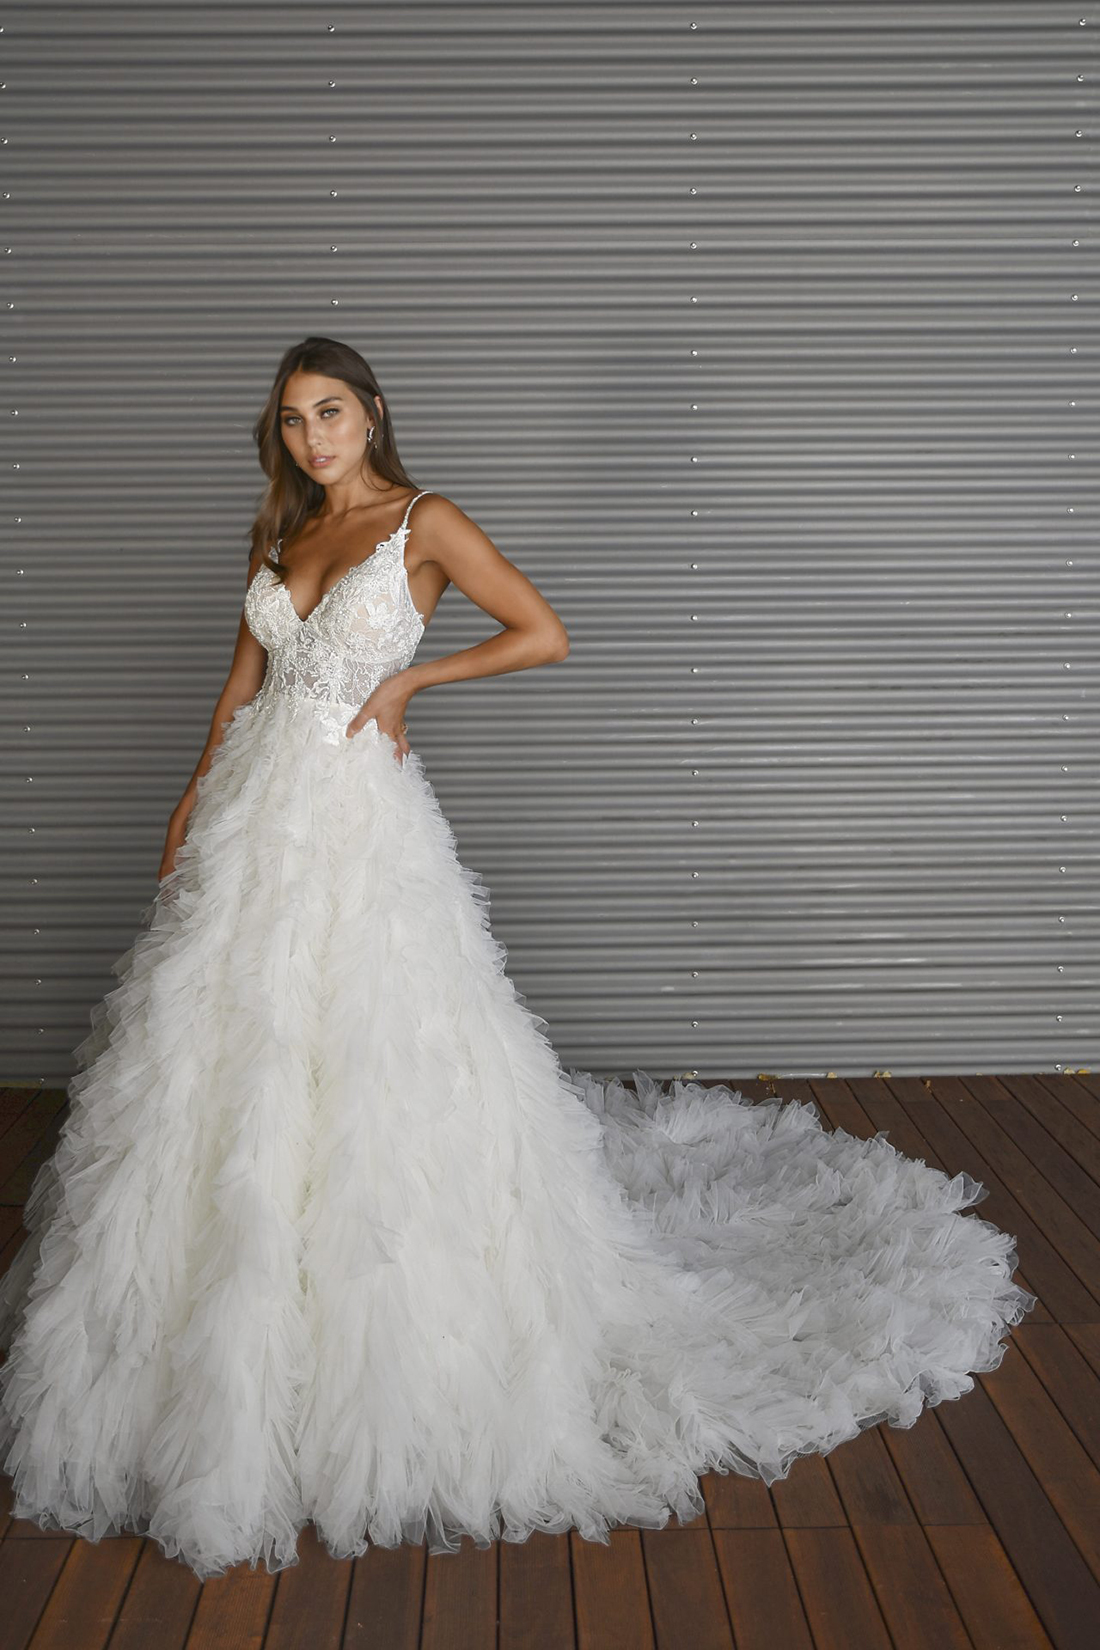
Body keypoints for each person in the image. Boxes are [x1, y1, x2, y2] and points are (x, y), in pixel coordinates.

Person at [0, 336, 1036, 1583]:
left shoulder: (423, 521)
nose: (313, 438)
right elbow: (240, 691)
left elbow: (542, 632)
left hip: (355, 821)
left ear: (372, 412)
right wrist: (185, 805)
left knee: (371, 1044)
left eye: (330, 412)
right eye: (291, 420)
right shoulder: (278, 535)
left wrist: (410, 686)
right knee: (220, 1056)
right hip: (247, 816)